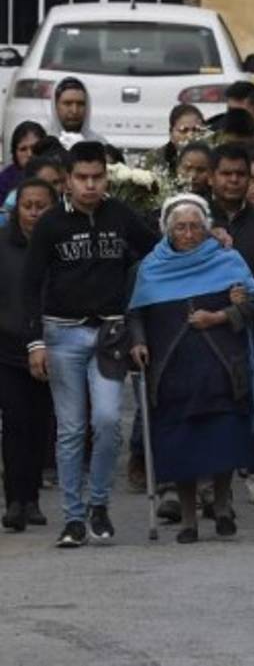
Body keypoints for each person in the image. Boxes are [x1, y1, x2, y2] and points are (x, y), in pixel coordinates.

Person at [21, 141, 159, 547]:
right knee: (71, 429)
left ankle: (99, 504)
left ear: (107, 177)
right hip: (61, 334)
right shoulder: (50, 224)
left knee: (108, 420)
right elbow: (29, 285)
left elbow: (156, 250)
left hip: (110, 334)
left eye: (97, 177)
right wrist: (34, 342)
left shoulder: (121, 215)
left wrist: (204, 236)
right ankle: (73, 518)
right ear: (66, 180)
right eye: (82, 178)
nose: (90, 185)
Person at [128, 195, 254, 544]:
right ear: (167, 230)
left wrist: (221, 316)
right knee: (181, 448)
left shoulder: (227, 259)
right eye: (180, 228)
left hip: (220, 369)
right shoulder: (151, 267)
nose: (188, 234)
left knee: (222, 441)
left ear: (207, 229)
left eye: (194, 227)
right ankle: (188, 520)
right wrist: (138, 342)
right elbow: (136, 313)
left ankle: (222, 505)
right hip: (172, 372)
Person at [208, 145, 254, 505]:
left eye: (241, 174)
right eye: (227, 173)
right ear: (212, 177)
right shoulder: (196, 217)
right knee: (212, 403)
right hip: (208, 326)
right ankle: (209, 479)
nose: (234, 180)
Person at [0, 179, 57, 531]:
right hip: (7, 347)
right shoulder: (3, 243)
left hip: (51, 344)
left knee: (40, 423)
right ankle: (14, 500)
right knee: (15, 422)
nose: (34, 213)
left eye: (41, 206)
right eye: (27, 206)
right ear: (16, 208)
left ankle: (32, 497)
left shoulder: (58, 245)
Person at [48, 77, 106, 145]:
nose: (74, 111)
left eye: (80, 104)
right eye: (68, 104)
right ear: (56, 105)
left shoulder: (98, 144)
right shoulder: (42, 141)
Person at [0, 121, 48, 202]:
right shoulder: (4, 180)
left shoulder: (55, 173)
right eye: (23, 149)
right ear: (15, 153)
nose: (29, 154)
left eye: (34, 148)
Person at [151, 104, 205, 171]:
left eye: (196, 130)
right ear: (171, 133)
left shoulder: (213, 159)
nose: (190, 136)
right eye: (184, 130)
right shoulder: (153, 160)